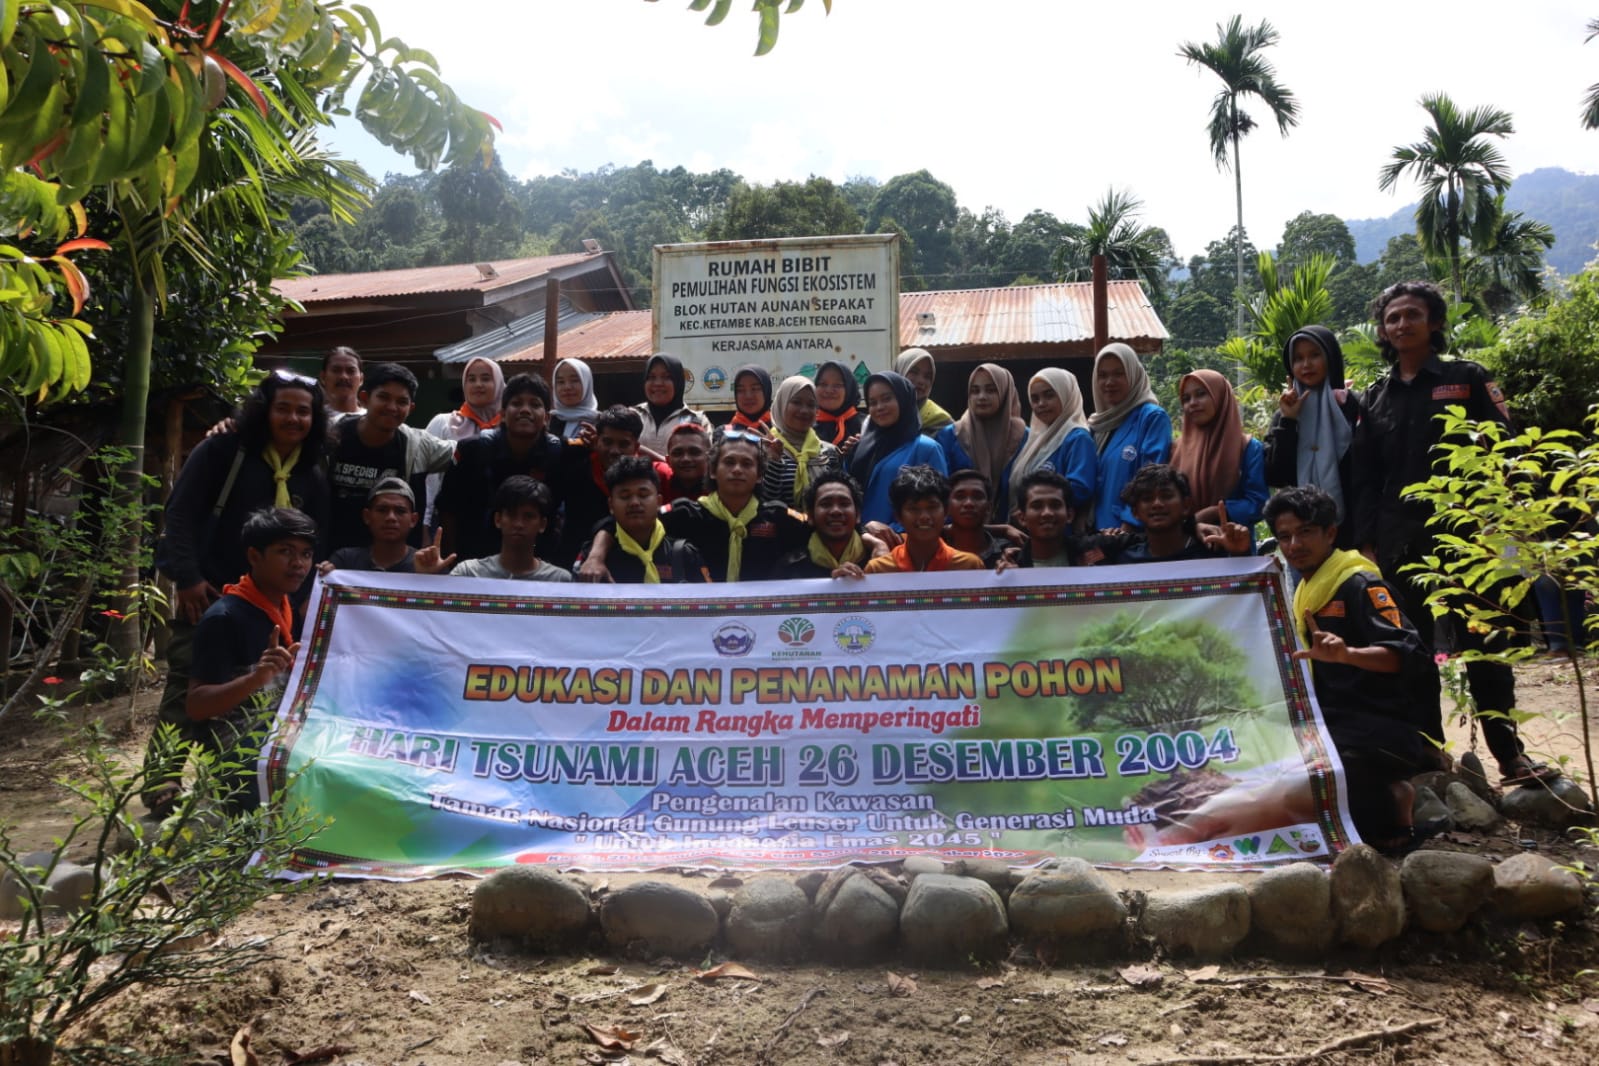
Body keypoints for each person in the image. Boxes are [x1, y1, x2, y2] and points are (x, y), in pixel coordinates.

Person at [1350, 280, 1553, 787]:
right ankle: (1430, 753)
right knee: (1414, 653)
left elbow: (1503, 453)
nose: (1401, 325)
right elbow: (1366, 477)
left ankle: (1509, 756)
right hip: (1401, 547)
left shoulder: (1467, 380)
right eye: (1392, 317)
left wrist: (1497, 526)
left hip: (1468, 541)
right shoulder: (1377, 396)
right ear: (1383, 329)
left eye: (1411, 315)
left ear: (1435, 322)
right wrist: (1367, 541)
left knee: (1487, 646)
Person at [147, 371, 330, 814]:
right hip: (213, 591)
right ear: (263, 410)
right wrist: (187, 578)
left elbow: (319, 533)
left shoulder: (312, 466)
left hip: (279, 599)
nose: (293, 418)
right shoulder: (224, 449)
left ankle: (249, 776)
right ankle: (162, 782)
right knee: (189, 681)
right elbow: (181, 513)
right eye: (283, 408)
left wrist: (308, 589)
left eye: (303, 411)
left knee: (264, 687)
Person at [1267, 485, 1443, 852]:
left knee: (1318, 776)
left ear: (1331, 533)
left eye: (1305, 532)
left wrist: (1349, 654)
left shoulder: (1360, 583)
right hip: (1334, 719)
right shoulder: (1306, 589)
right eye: (1284, 536)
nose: (1294, 544)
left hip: (1379, 724)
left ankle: (1397, 807)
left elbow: (1408, 654)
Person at [183, 507, 316, 813]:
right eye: (286, 552)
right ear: (255, 557)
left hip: (282, 736)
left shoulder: (286, 606)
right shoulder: (224, 618)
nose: (299, 564)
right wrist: (256, 679)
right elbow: (196, 705)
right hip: (242, 755)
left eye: (306, 554)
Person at [580, 432, 809, 582]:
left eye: (747, 464)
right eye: (729, 462)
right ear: (711, 470)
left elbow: (822, 531)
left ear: (759, 475)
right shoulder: (686, 514)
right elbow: (621, 521)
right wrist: (596, 556)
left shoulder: (778, 517)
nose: (737, 469)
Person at [435, 372, 563, 564]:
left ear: (546, 418)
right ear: (502, 415)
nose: (525, 410)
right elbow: (448, 510)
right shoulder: (472, 450)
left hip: (537, 563)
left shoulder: (560, 453)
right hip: (474, 560)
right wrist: (451, 561)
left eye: (535, 404)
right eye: (517, 403)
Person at [326, 363, 455, 553]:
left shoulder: (419, 444)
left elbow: (467, 452)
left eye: (401, 402)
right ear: (364, 398)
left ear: (411, 408)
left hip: (398, 570)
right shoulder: (331, 435)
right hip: (334, 562)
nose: (392, 407)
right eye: (383, 397)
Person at [1264, 326, 1361, 546]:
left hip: (1350, 530)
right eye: (1298, 358)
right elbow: (1276, 476)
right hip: (1300, 534)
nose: (1306, 364)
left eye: (1315, 355)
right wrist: (1289, 421)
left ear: (1331, 358)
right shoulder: (1284, 413)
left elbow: (1366, 472)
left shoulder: (1351, 406)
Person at [558, 405, 673, 566]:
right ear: (596, 441)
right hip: (577, 565)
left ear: (636, 447)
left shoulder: (655, 476)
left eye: (623, 444)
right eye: (607, 442)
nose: (614, 451)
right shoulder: (576, 469)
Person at [1169, 369, 1269, 535]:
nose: (1192, 403)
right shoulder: (1176, 450)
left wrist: (1216, 511)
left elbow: (1258, 503)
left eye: (1201, 394)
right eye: (1186, 399)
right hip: (1186, 547)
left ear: (1221, 397)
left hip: (1233, 546)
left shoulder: (1247, 447)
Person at [1088, 343, 1171, 530]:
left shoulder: (1151, 418)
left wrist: (1128, 525)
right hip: (1097, 535)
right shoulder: (1097, 425)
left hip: (1130, 535)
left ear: (1134, 375)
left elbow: (1152, 478)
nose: (1109, 382)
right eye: (1102, 375)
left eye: (1119, 374)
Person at [846, 371, 948, 525]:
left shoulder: (926, 448)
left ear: (903, 399)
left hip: (905, 542)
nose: (879, 407)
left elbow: (939, 505)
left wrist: (895, 533)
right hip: (857, 541)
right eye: (872, 402)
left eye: (887, 399)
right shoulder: (860, 447)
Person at [588, 456, 710, 583]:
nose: (634, 502)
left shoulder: (684, 553)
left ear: (659, 502)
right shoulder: (594, 560)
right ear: (611, 506)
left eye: (643, 495)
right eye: (625, 496)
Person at [1102, 465, 1251, 564]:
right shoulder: (1125, 561)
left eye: (1166, 496)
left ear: (1186, 506)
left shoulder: (1211, 554)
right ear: (1135, 512)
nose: (1157, 504)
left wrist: (1240, 554)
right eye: (1147, 499)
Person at [936, 364, 1028, 520]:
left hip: (1017, 532)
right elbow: (941, 490)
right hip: (960, 532)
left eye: (991, 390)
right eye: (975, 391)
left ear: (1006, 393)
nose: (981, 397)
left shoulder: (1026, 438)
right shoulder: (950, 436)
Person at [423, 356, 504, 528]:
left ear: (499, 384)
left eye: (486, 378)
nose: (478, 384)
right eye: (471, 379)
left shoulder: (508, 428)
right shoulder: (444, 423)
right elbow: (428, 480)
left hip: (498, 523)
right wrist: (425, 523)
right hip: (447, 520)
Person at [1010, 368, 1096, 521]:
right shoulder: (1036, 440)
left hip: (1057, 532)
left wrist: (1033, 507)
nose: (1041, 404)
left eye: (1049, 395)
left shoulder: (1077, 438)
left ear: (1066, 395)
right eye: (1035, 399)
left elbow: (1080, 489)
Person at [323, 478, 457, 575]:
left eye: (400, 511)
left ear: (413, 520)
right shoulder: (345, 562)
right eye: (382, 510)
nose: (391, 517)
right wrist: (325, 577)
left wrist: (431, 579)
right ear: (367, 517)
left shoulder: (429, 563)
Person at [865, 466, 985, 573]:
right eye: (914, 509)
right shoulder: (879, 569)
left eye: (932, 507)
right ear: (898, 516)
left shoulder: (969, 566)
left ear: (946, 511)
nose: (924, 517)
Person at [450, 476, 572, 582]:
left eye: (528, 516)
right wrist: (431, 577)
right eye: (511, 514)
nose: (519, 524)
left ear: (542, 525)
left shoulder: (559, 580)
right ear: (498, 520)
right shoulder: (468, 573)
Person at [761, 375, 841, 507]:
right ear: (782, 404)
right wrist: (773, 462)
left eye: (811, 405)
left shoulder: (829, 453)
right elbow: (762, 502)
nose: (804, 410)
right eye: (796, 402)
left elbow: (837, 500)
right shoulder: (763, 449)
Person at [781, 472, 875, 579]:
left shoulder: (880, 561)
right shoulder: (789, 569)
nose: (836, 511)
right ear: (810, 516)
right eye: (826, 504)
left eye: (844, 504)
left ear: (858, 514)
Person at [634, 352, 711, 456]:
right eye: (651, 377)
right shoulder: (633, 415)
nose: (658, 383)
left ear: (678, 382)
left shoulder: (697, 421)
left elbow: (708, 460)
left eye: (666, 377)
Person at [942, 470, 1015, 568]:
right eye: (960, 497)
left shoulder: (1009, 553)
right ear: (947, 507)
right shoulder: (932, 551)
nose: (969, 503)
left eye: (977, 496)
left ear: (989, 508)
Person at [894, 348, 953, 435]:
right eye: (914, 372)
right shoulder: (883, 414)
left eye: (927, 376)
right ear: (898, 374)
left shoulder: (941, 422)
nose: (921, 381)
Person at [813, 359, 864, 448]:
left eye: (837, 385)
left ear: (849, 390)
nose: (829, 390)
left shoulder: (866, 426)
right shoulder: (805, 424)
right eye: (823, 384)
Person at [715, 364, 774, 441]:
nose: (748, 396)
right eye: (741, 390)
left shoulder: (780, 432)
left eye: (755, 389)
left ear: (766, 392)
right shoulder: (723, 433)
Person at [549, 357, 601, 442]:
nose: (567, 387)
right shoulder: (546, 422)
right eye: (561, 382)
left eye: (574, 380)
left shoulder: (601, 423)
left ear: (587, 383)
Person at [662, 423, 712, 503]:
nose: (686, 459)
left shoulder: (721, 489)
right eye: (678, 453)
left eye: (694, 452)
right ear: (668, 460)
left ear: (709, 458)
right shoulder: (659, 483)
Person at [320, 346, 363, 418]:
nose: (344, 377)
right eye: (336, 370)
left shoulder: (372, 421)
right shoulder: (314, 419)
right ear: (323, 377)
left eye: (351, 371)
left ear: (361, 379)